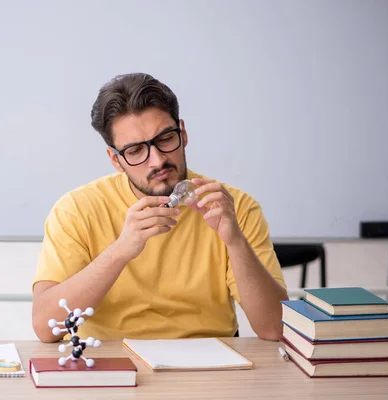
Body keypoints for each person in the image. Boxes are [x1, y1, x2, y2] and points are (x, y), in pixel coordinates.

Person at [31, 73, 288, 343]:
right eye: (135, 151)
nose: (157, 160)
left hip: (209, 367)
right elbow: (46, 328)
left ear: (183, 133)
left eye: (165, 138)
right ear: (116, 160)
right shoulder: (76, 210)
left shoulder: (234, 208)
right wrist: (120, 251)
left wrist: (235, 242)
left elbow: (275, 329)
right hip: (110, 365)